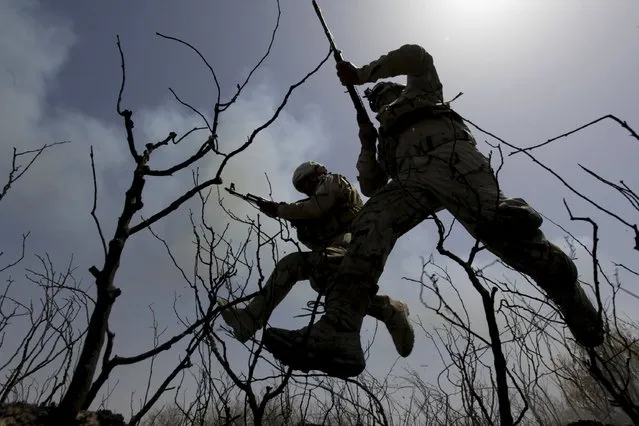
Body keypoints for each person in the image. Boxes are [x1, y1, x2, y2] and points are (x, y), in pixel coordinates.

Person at [261, 44, 605, 378]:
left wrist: (362, 74)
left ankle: (564, 287)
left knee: (502, 230)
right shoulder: (385, 138)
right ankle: (338, 332)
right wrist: (368, 143)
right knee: (370, 223)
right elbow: (370, 187)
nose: (381, 100)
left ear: (397, 88)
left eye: (384, 93)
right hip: (410, 180)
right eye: (376, 99)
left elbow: (417, 55)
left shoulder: (422, 93)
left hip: (451, 159)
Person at [217, 161, 415, 358]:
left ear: (315, 174)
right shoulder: (309, 205)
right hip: (335, 249)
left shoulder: (333, 181)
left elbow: (316, 208)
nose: (306, 189)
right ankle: (249, 319)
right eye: (301, 188)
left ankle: (386, 310)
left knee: (324, 268)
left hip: (355, 242)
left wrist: (281, 210)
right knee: (296, 268)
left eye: (305, 183)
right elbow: (314, 235)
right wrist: (295, 219)